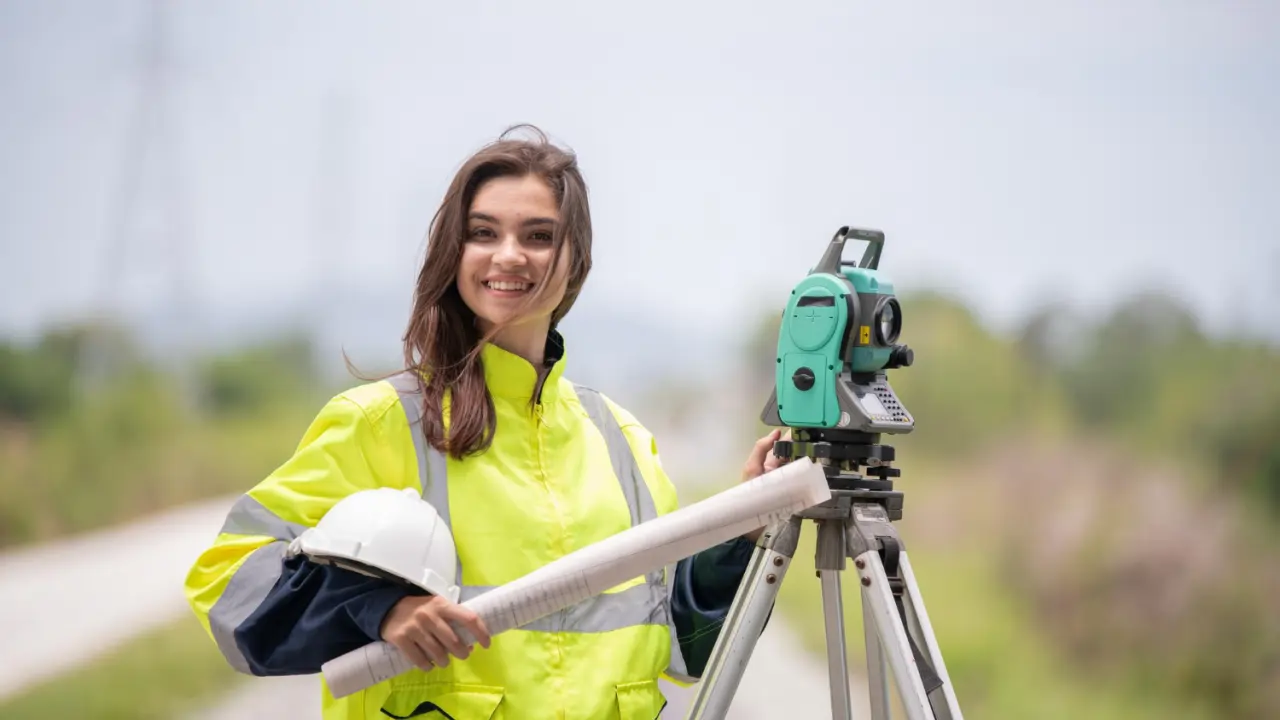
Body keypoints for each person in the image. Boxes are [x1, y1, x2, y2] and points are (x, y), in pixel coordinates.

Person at [183, 124, 786, 720]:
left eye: (539, 235)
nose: (508, 255)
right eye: (483, 233)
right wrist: (376, 608)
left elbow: (677, 635)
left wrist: (747, 528)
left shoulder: (620, 437)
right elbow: (227, 579)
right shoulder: (380, 422)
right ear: (455, 252)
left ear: (575, 261)